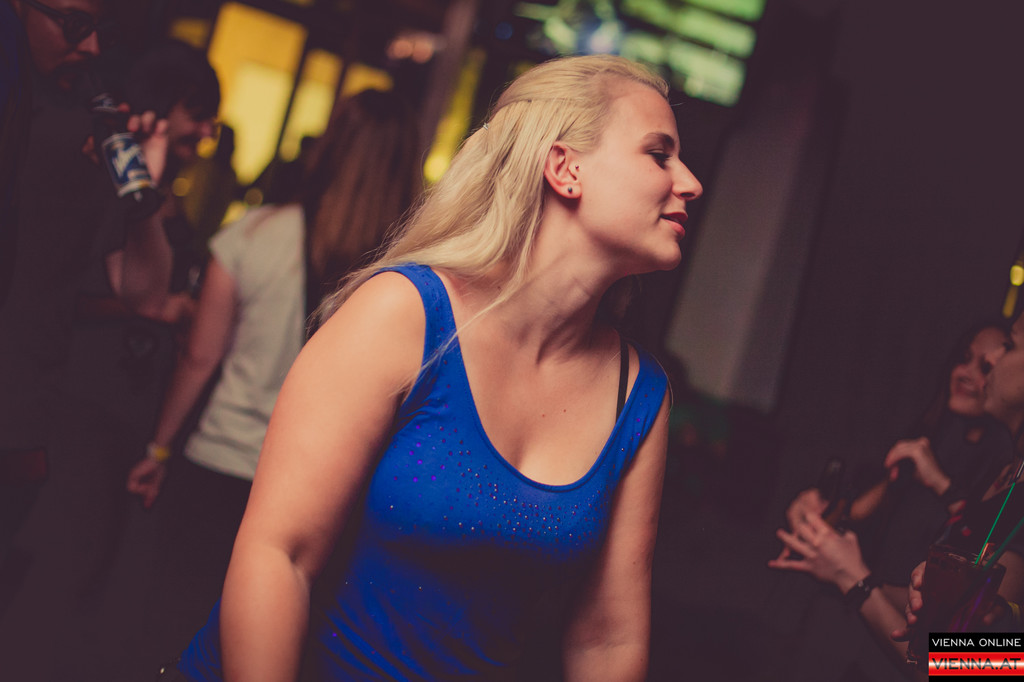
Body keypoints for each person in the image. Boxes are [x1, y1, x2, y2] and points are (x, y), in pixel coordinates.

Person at [168, 54, 701, 681]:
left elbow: (607, 638)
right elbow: (278, 556)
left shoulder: (637, 394)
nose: (690, 182)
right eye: (658, 154)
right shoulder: (405, 314)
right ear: (565, 168)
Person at [120, 88, 421, 676]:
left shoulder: (254, 235)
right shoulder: (411, 276)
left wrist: (158, 449)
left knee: (175, 633)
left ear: (330, 148)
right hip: (329, 496)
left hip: (220, 464)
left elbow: (200, 358)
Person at [0, 0, 173, 573]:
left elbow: (144, 294)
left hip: (21, 420)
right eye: (74, 25)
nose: (92, 46)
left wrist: (146, 195)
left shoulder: (92, 125)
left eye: (99, 29)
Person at [773, 315, 1024, 676]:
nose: (992, 360)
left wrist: (856, 582)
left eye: (1009, 346)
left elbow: (968, 665)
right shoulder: (1003, 475)